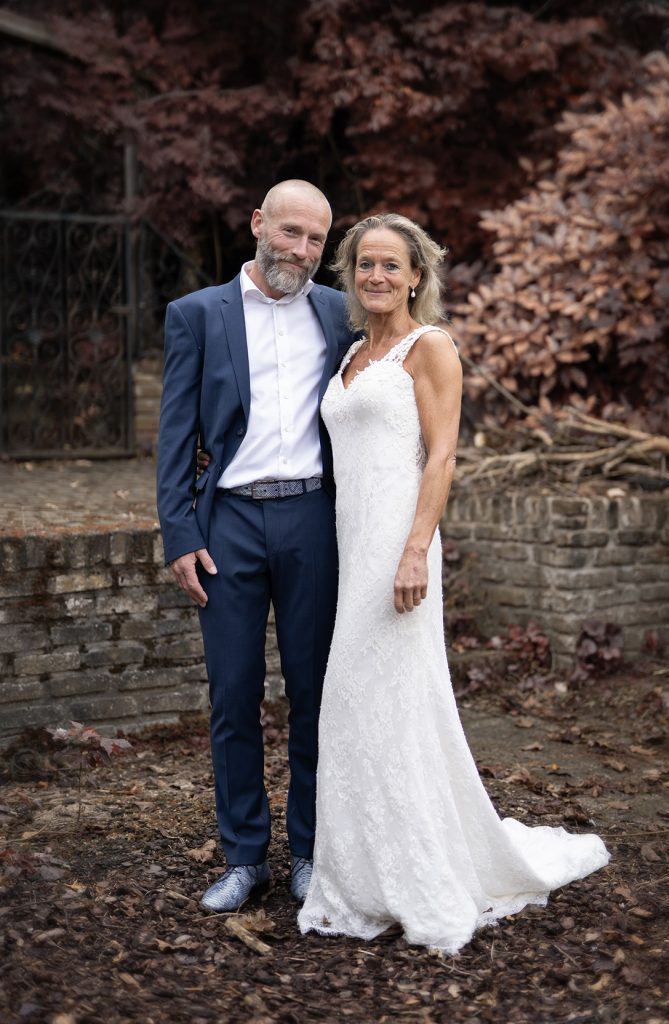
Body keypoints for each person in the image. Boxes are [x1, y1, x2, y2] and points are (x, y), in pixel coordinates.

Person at [297, 212, 609, 954]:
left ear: (415, 276)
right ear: (351, 273)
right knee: (353, 708)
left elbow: (439, 460)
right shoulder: (349, 353)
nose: (376, 276)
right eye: (363, 264)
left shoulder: (428, 347)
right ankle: (359, 871)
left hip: (398, 552)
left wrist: (414, 551)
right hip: (351, 546)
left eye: (390, 266)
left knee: (379, 702)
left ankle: (415, 873)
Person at [156, 180, 354, 913]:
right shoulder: (195, 315)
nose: (300, 250)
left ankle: (308, 852)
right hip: (228, 526)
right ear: (257, 225)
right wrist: (179, 530)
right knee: (233, 695)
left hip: (312, 522)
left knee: (315, 696)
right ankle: (245, 858)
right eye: (290, 232)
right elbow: (176, 435)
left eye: (314, 240)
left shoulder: (340, 314)